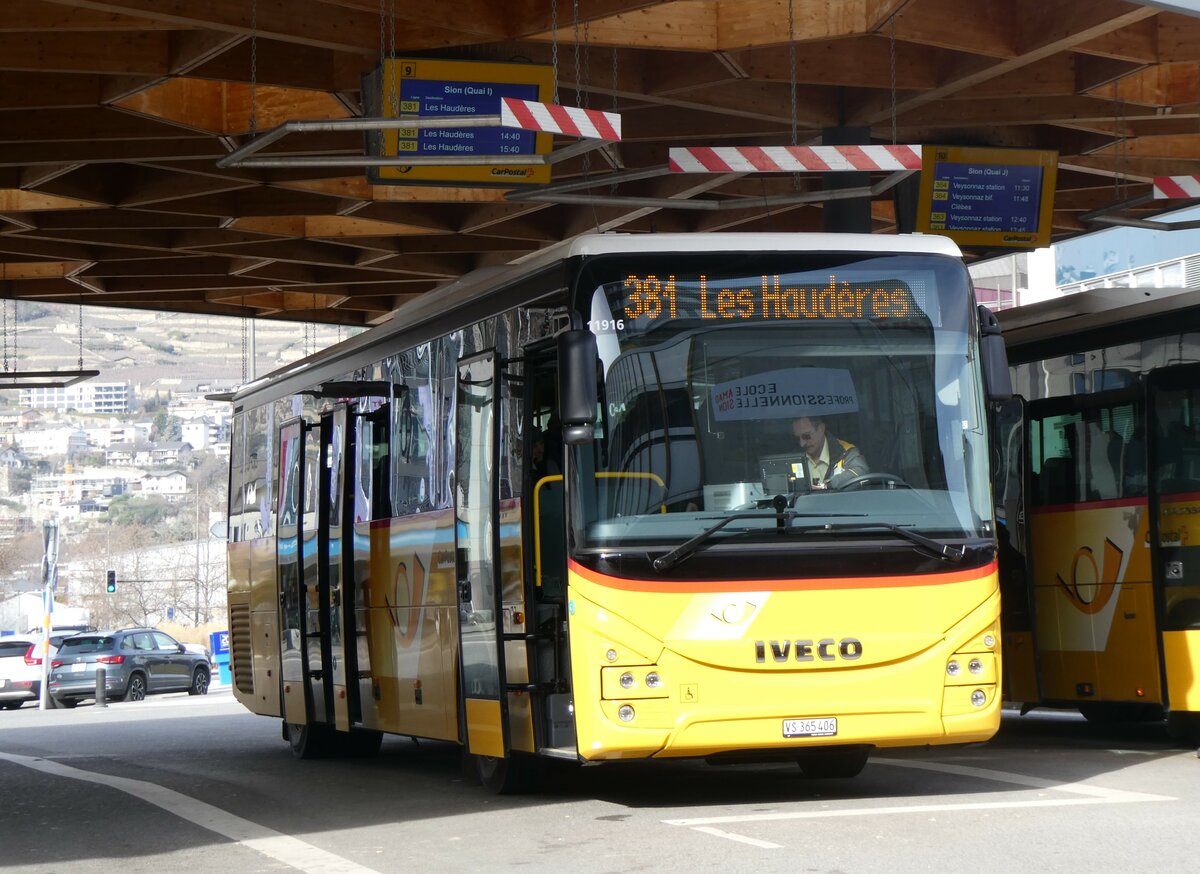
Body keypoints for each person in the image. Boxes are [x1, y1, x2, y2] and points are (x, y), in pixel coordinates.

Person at [791, 416, 869, 488]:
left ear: (822, 429)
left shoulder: (844, 451)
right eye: (798, 438)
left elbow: (861, 471)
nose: (802, 443)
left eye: (807, 436)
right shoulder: (793, 457)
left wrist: (829, 485)